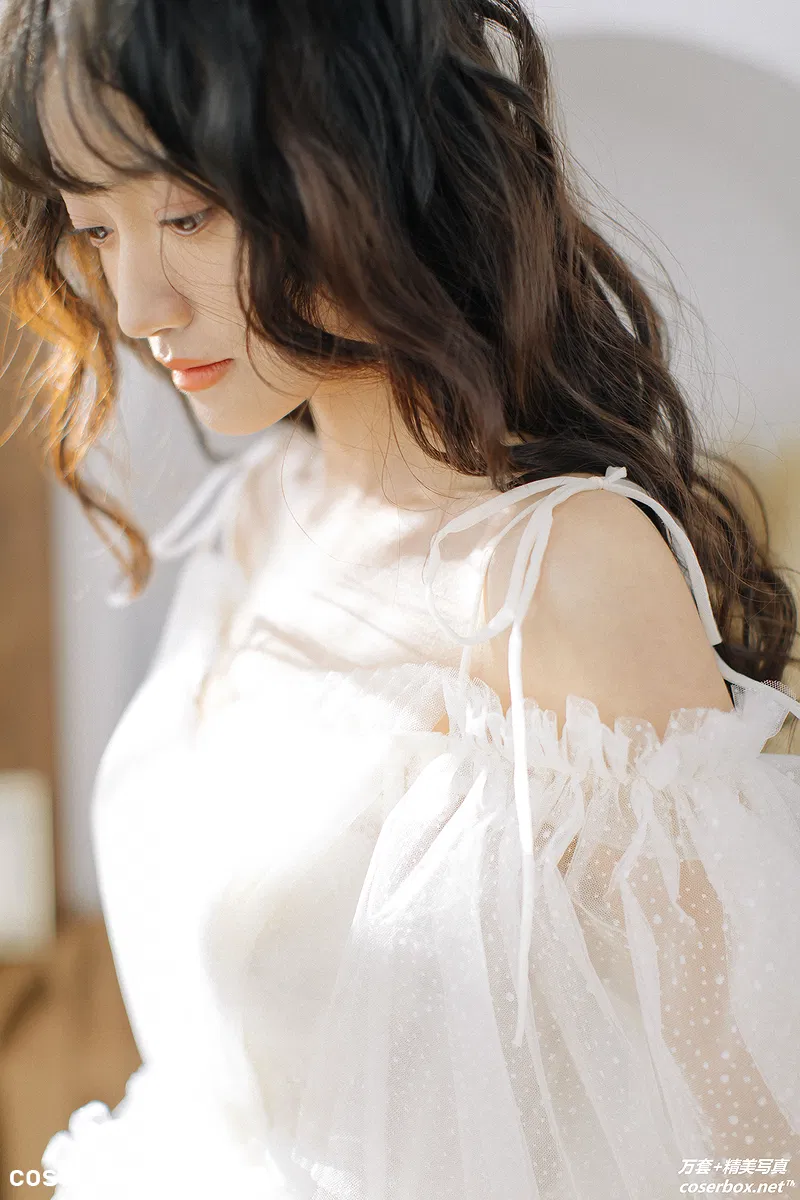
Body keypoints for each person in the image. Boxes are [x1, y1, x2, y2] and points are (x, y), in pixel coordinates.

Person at [1, 0, 799, 1196]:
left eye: (187, 214)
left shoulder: (560, 578)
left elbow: (743, 1135)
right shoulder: (265, 507)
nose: (137, 305)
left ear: (364, 161)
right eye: (94, 229)